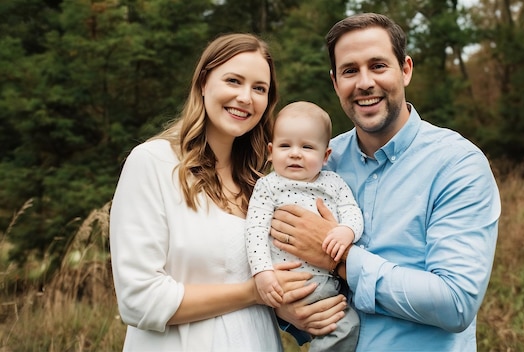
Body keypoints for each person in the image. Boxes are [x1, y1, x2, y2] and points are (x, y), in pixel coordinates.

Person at [271, 13, 501, 351]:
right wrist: (287, 310)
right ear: (335, 83)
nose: (364, 82)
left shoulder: (457, 165)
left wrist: (340, 259)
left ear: (405, 69)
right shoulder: (321, 162)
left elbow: (456, 303)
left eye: (378, 66)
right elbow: (282, 258)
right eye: (350, 71)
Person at [109, 33, 346, 352]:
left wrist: (289, 310)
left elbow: (266, 283)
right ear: (204, 83)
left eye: (259, 88)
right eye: (233, 81)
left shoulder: (261, 185)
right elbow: (139, 300)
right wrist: (252, 293)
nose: (246, 97)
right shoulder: (153, 163)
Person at [246, 101, 362, 351]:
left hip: (328, 282)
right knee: (343, 325)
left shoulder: (333, 182)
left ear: (325, 155)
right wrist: (262, 272)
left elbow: (352, 211)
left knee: (344, 325)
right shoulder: (268, 185)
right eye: (285, 145)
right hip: (286, 280)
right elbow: (255, 230)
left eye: (307, 147)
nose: (295, 153)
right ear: (270, 150)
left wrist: (347, 231)